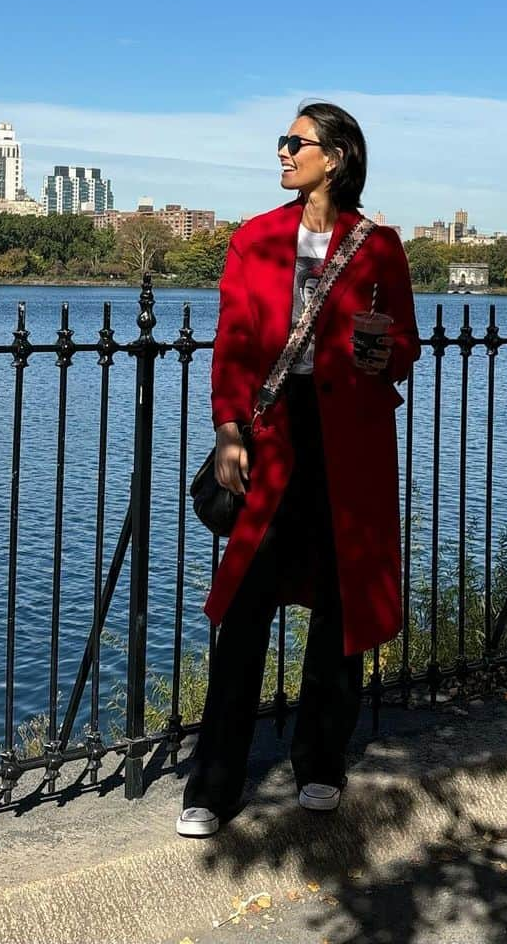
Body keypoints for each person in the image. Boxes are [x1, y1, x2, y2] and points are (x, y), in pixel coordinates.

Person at [177, 101, 421, 837]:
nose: (283, 152)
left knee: (341, 609)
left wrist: (386, 355)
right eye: (283, 142)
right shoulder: (254, 239)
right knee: (246, 605)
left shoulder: (379, 246)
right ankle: (214, 785)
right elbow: (231, 346)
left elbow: (405, 341)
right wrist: (227, 431)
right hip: (272, 435)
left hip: (352, 441)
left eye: (296, 142)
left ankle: (321, 764)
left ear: (336, 156)